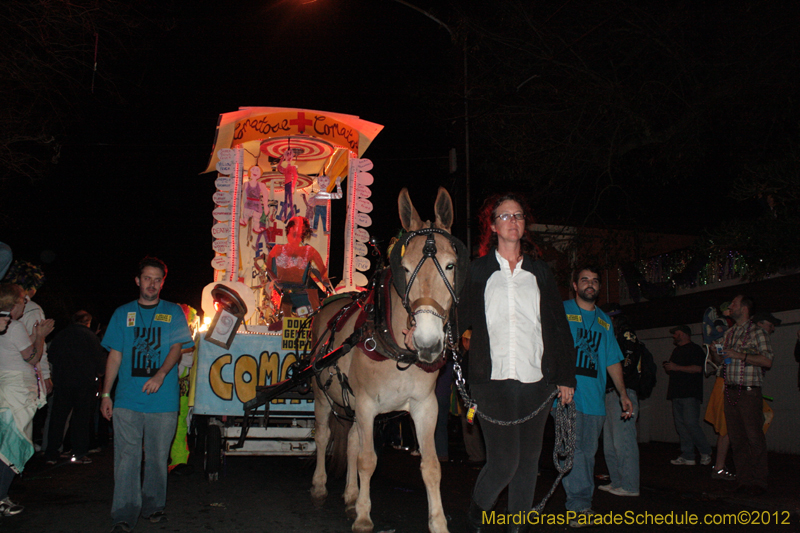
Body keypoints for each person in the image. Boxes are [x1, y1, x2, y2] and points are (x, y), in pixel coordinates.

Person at [459, 193, 576, 533]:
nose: (513, 221)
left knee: (527, 464)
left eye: (519, 216)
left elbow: (556, 326)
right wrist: (420, 331)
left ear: (525, 226)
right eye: (505, 216)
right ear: (493, 225)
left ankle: (517, 526)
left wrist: (565, 376)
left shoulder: (539, 272)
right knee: (505, 462)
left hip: (537, 380)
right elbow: (456, 317)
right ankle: (478, 512)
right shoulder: (478, 271)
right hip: (490, 380)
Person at [100, 257, 193, 532]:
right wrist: (106, 393)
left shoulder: (174, 312)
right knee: (126, 458)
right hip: (127, 399)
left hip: (163, 401)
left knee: (156, 457)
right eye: (147, 278)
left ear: (162, 283)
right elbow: (115, 356)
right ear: (138, 280)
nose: (152, 284)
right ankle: (124, 513)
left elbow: (177, 348)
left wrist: (161, 374)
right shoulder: (122, 314)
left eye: (157, 279)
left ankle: (154, 506)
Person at [562, 266, 632, 527]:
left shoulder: (605, 320)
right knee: (575, 451)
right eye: (584, 280)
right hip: (567, 396)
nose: (590, 284)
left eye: (594, 281)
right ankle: (578, 506)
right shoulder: (562, 310)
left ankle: (580, 503)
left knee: (587, 453)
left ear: (599, 288)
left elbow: (612, 359)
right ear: (574, 285)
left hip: (596, 401)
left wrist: (623, 394)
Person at [0, 283, 54, 516]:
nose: (25, 303)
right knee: (14, 445)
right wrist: (40, 337)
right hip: (16, 392)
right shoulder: (12, 326)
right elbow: (32, 357)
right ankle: (1, 497)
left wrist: (34, 334)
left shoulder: (6, 327)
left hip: (5, 390)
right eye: (22, 300)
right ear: (12, 303)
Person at [711, 295, 773, 496]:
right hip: (730, 391)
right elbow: (720, 359)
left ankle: (759, 481)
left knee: (754, 437)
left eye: (734, 304)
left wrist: (741, 355)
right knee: (737, 439)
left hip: (749, 392)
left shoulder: (757, 332)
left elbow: (767, 361)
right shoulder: (729, 334)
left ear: (744, 308)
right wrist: (715, 351)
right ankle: (744, 480)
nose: (730, 307)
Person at [44, 310, 107, 465]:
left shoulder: (62, 335)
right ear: (88, 322)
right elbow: (101, 362)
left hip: (63, 383)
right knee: (82, 419)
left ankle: (51, 453)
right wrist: (98, 373)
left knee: (58, 418)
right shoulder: (91, 337)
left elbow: (50, 355)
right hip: (84, 384)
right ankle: (79, 453)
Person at [597, 303, 644, 497]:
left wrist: (620, 385)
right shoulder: (613, 336)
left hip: (621, 393)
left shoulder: (626, 335)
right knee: (610, 443)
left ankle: (630, 485)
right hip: (609, 393)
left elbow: (627, 362)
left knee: (624, 441)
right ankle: (617, 481)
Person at [664, 325, 712, 466]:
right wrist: (670, 368)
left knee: (691, 424)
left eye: (676, 333)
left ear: (684, 334)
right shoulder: (676, 350)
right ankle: (688, 455)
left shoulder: (695, 349)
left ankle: (705, 451)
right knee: (681, 426)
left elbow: (698, 368)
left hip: (690, 393)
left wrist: (675, 367)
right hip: (676, 393)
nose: (674, 336)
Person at [266, 216, 331, 315]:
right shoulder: (277, 248)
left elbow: (321, 269)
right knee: (288, 299)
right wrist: (275, 280)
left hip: (301, 289)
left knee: (315, 296)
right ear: (290, 229)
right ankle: (286, 321)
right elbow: (268, 268)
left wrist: (324, 279)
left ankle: (315, 322)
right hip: (283, 289)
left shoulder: (309, 250)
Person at [457, 329, 485, 465]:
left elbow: (464, 378)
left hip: (471, 401)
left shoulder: (467, 357)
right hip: (482, 398)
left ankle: (475, 454)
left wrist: (464, 396)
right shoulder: (483, 355)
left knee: (469, 424)